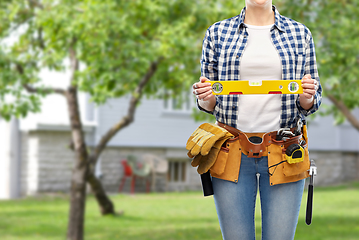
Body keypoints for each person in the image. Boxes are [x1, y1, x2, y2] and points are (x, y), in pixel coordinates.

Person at [192, 1, 322, 240]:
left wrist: (307, 96)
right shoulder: (217, 33)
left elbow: (311, 101)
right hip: (231, 152)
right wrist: (206, 96)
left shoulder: (300, 33)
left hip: (285, 152)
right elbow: (208, 103)